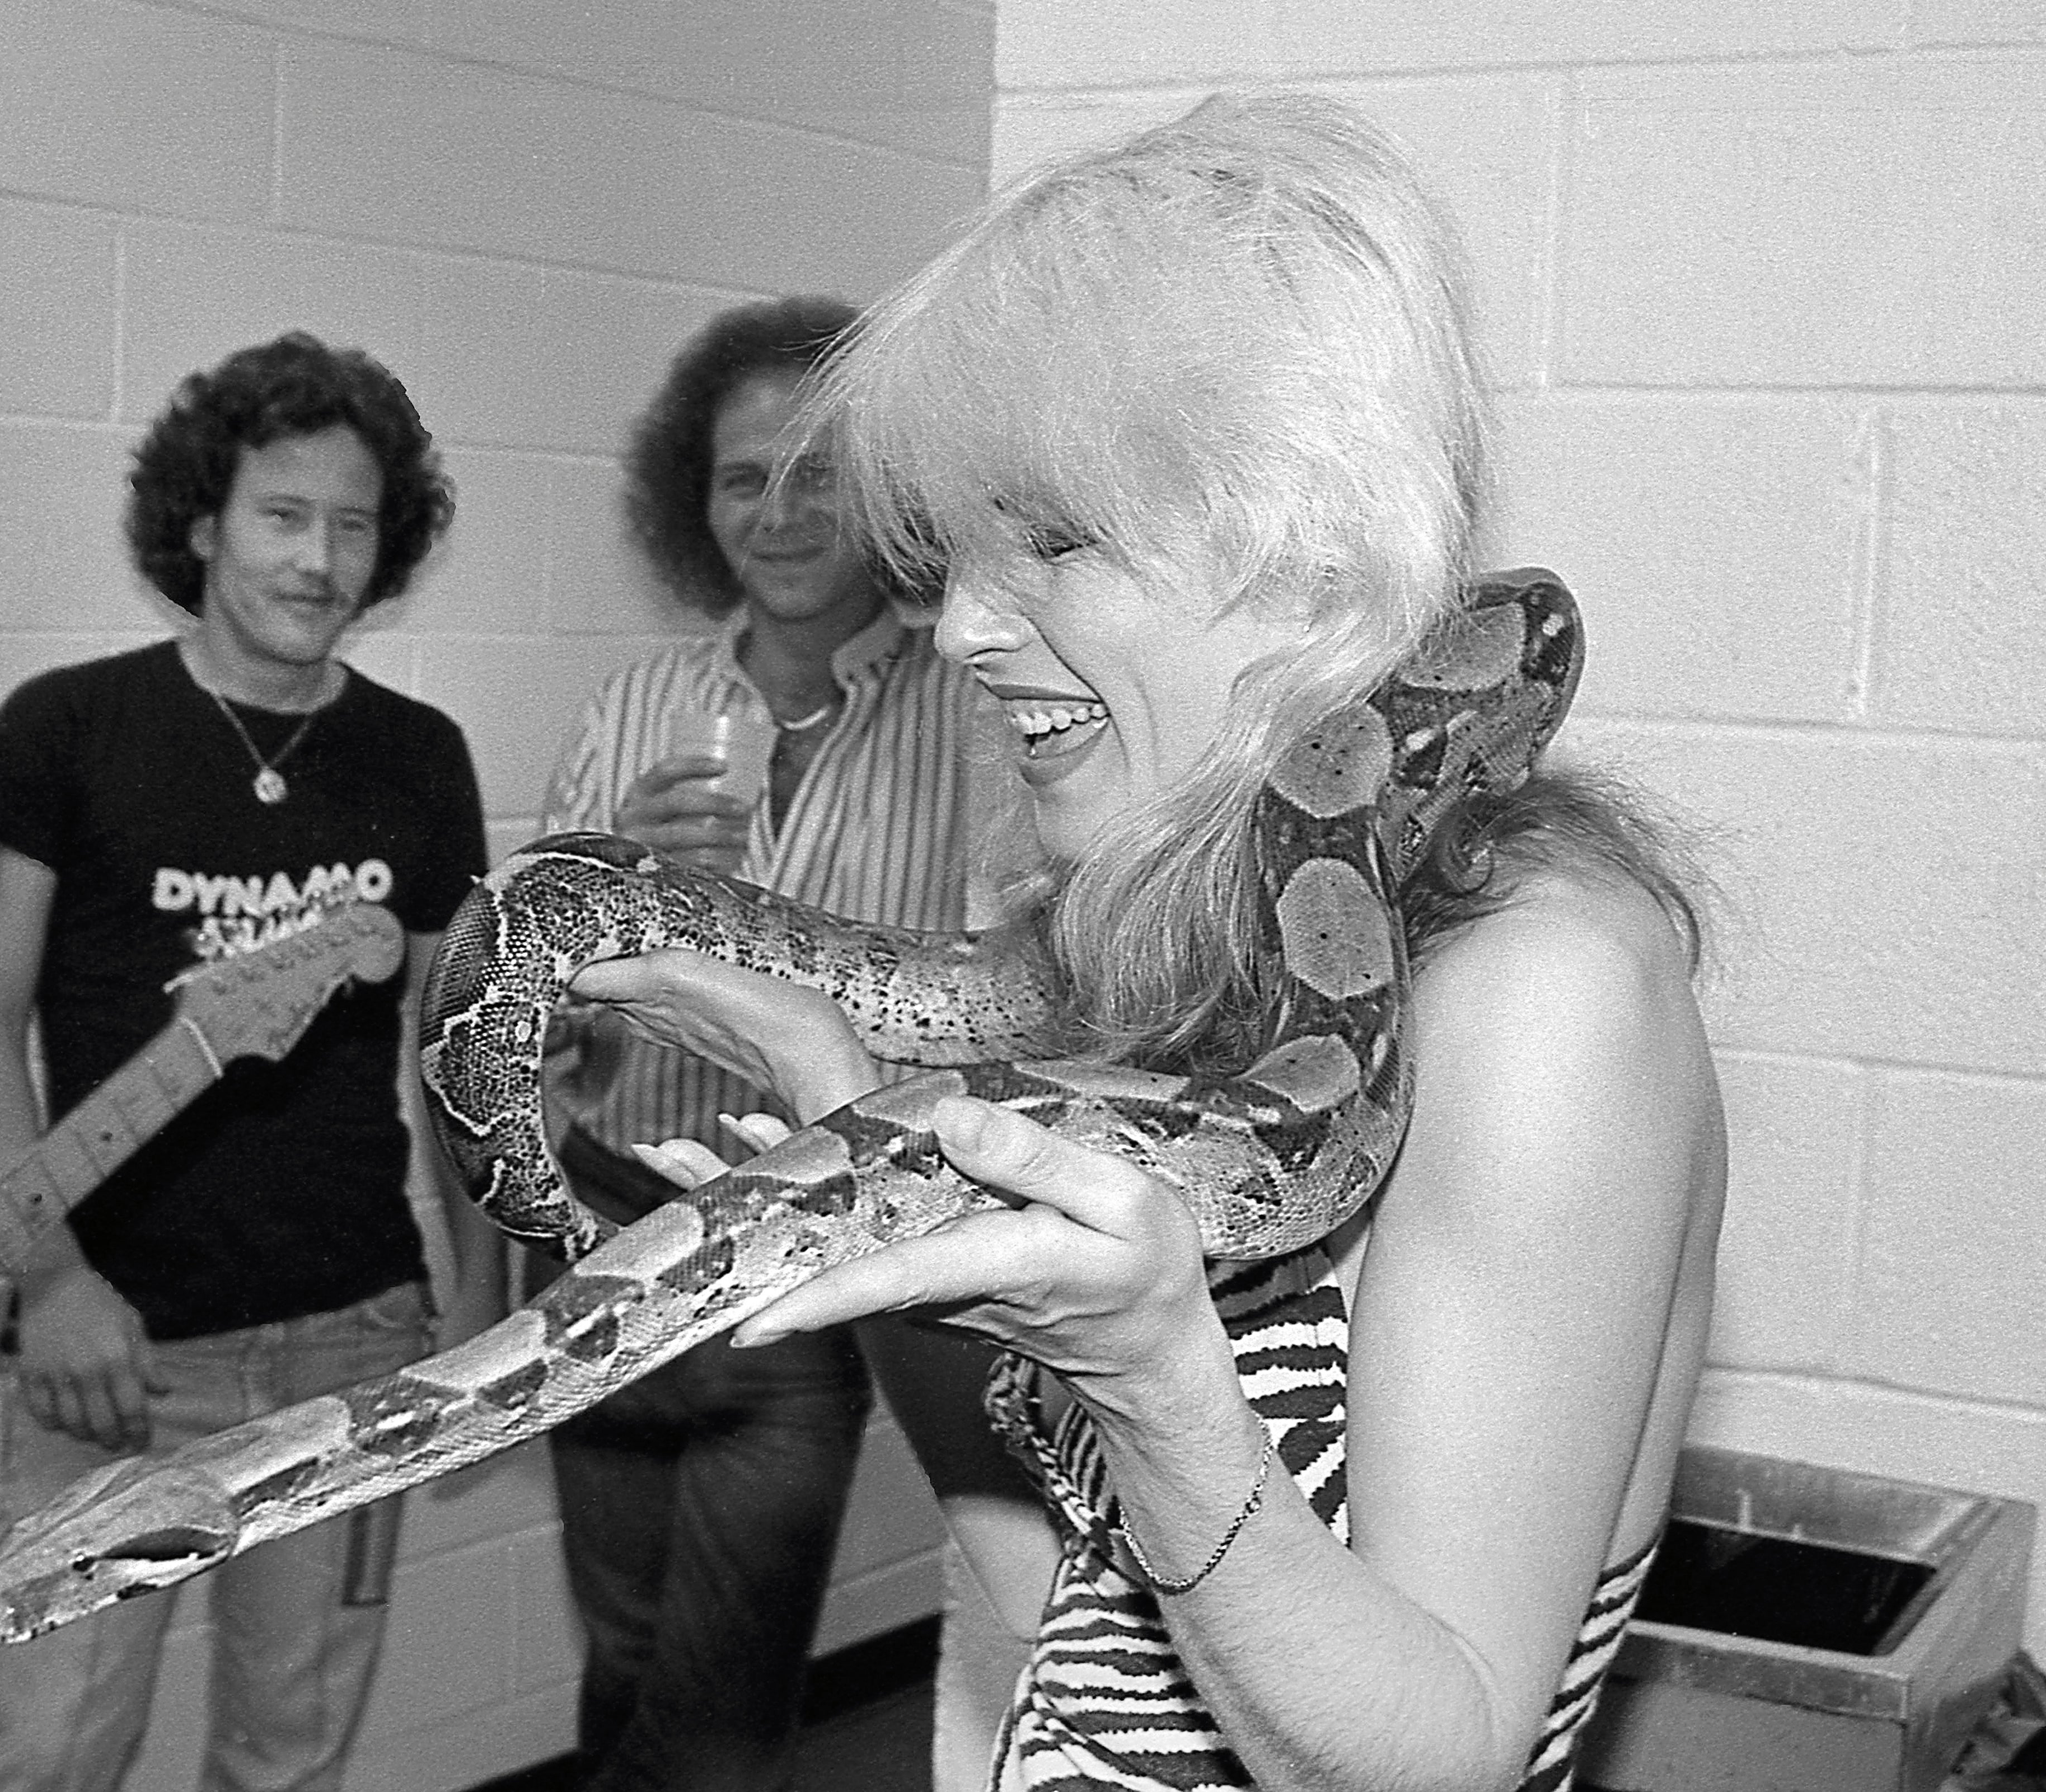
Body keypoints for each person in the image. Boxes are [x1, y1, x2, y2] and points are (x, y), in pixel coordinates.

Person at [580, 92, 1725, 1792]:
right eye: (955, 553)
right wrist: (876, 1173)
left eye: (1052, 541)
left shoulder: (1536, 990)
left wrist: (1162, 1382)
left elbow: (1439, 1758)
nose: (963, 630)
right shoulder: (1167, 939)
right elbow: (1077, 1625)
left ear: (1313, 546)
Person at [0, 330, 499, 1792]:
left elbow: (458, 1043)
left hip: (354, 1343)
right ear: (201, 523)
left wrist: (482, 1291)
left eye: (352, 525)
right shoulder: (63, 729)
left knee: (286, 1757)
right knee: (45, 1759)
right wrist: (50, 1283)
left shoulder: (420, 755)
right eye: (282, 515)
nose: (318, 560)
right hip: (110, 1355)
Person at [536, 295, 1024, 1792]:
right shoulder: (637, 706)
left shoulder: (980, 710)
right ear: (692, 504)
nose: (780, 512)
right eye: (743, 479)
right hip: (609, 1229)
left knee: (722, 1708)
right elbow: (534, 1022)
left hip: (795, 1262)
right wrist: (602, 897)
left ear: (887, 500)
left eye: (820, 475)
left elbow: (1017, 989)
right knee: (621, 1657)